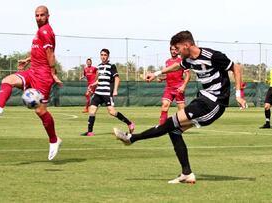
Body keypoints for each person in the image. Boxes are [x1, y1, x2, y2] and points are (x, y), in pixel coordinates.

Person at [113, 30, 246, 184]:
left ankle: (131, 139)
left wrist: (238, 95)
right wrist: (156, 73)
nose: (176, 51)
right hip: (202, 100)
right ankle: (187, 173)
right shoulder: (188, 59)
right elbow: (177, 66)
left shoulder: (213, 56)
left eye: (177, 48)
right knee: (174, 131)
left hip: (214, 104)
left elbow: (236, 68)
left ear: (186, 45)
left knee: (171, 123)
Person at [0, 5, 63, 161]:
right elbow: (41, 51)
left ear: (48, 16)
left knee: (40, 111)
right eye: (36, 15)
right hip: (33, 71)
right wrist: (28, 60)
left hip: (43, 76)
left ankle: (54, 140)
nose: (39, 18)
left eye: (42, 15)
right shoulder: (41, 31)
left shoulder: (45, 31)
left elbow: (50, 54)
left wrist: (53, 74)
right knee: (7, 80)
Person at [81, 49, 135, 136]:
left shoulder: (112, 66)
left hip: (106, 93)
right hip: (98, 92)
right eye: (101, 55)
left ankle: (129, 123)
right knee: (92, 110)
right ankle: (90, 132)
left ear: (108, 56)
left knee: (112, 112)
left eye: (105, 55)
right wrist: (92, 85)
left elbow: (117, 78)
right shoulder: (99, 66)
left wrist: (115, 90)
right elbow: (99, 80)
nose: (103, 56)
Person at [158, 45, 190, 124]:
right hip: (169, 88)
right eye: (172, 49)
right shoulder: (167, 61)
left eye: (175, 50)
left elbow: (188, 75)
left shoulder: (182, 61)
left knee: (181, 111)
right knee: (165, 105)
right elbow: (169, 74)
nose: (173, 51)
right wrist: (162, 78)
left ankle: (182, 126)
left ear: (178, 51)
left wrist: (183, 86)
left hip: (179, 88)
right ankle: (162, 127)